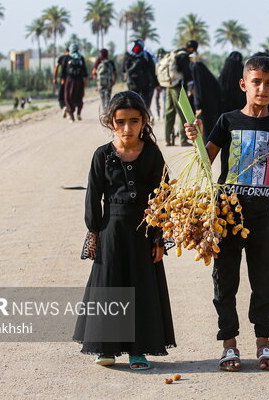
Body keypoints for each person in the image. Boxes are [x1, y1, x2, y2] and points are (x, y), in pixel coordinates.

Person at [184, 56, 269, 372]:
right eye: (256, 82)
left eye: (268, 83)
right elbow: (205, 161)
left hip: (261, 216)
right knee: (225, 280)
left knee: (264, 280)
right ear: (243, 85)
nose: (262, 89)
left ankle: (264, 343)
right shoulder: (227, 121)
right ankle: (229, 345)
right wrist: (195, 138)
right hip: (226, 216)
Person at [73, 91, 176, 369]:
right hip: (112, 233)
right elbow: (93, 197)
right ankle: (105, 348)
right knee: (111, 288)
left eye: (134, 121)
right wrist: (94, 233)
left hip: (143, 233)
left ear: (144, 121)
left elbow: (163, 195)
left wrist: (158, 237)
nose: (127, 128)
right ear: (111, 122)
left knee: (140, 288)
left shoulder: (152, 154)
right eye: (120, 122)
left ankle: (138, 350)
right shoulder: (102, 155)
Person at [157, 40, 196, 147]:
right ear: (192, 48)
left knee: (169, 112)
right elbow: (187, 74)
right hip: (178, 86)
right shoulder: (183, 56)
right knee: (182, 112)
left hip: (168, 85)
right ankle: (183, 139)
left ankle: (167, 139)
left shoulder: (174, 53)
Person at [122, 40, 159, 110]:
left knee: (137, 103)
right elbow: (152, 70)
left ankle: (139, 117)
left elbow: (123, 70)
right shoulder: (146, 55)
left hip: (136, 84)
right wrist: (157, 84)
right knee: (142, 104)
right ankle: (142, 116)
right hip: (141, 84)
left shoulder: (128, 55)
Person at [190, 60, 221, 140]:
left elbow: (198, 96)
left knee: (204, 130)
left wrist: (197, 107)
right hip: (212, 108)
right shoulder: (210, 79)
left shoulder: (198, 84)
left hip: (202, 110)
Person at [61, 43, 88, 122]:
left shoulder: (67, 58)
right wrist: (85, 79)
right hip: (79, 81)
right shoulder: (81, 58)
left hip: (70, 81)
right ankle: (77, 113)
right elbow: (84, 70)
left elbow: (63, 69)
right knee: (79, 96)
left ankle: (72, 115)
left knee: (68, 97)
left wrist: (62, 79)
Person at [53, 48, 70, 117]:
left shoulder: (62, 58)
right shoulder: (73, 58)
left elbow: (56, 67)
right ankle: (69, 109)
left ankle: (63, 107)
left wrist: (54, 78)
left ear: (65, 52)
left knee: (61, 96)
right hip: (72, 79)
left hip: (63, 80)